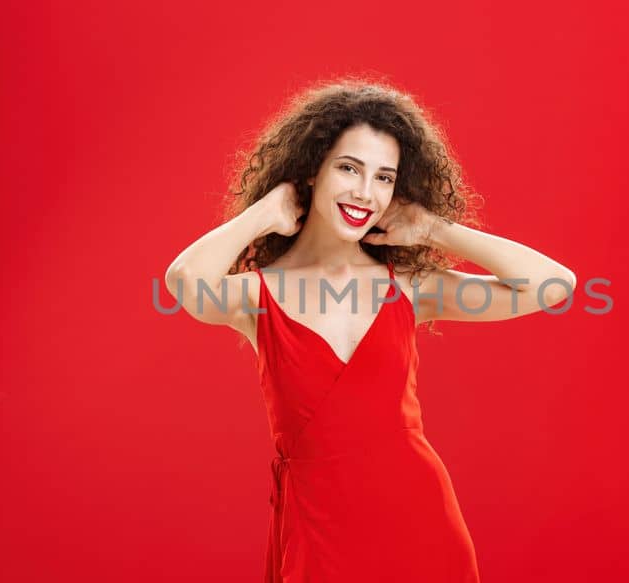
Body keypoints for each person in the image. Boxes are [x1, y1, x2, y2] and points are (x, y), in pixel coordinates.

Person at [163, 79, 574, 582]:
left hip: (420, 526)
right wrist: (263, 214)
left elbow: (555, 285)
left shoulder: (410, 287)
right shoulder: (257, 296)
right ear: (311, 171)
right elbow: (186, 282)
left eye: (384, 178)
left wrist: (432, 229)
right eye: (349, 168)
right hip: (318, 532)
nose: (365, 192)